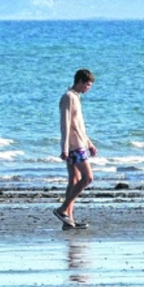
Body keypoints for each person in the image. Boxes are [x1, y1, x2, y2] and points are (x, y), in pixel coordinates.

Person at [54, 68, 97, 229]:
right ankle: (63, 209)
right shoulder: (68, 97)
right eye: (87, 85)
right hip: (74, 145)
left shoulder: (76, 97)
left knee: (73, 181)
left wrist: (89, 142)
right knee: (87, 178)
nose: (88, 88)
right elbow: (65, 123)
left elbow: (78, 125)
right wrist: (64, 147)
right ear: (79, 82)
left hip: (80, 142)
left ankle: (68, 220)